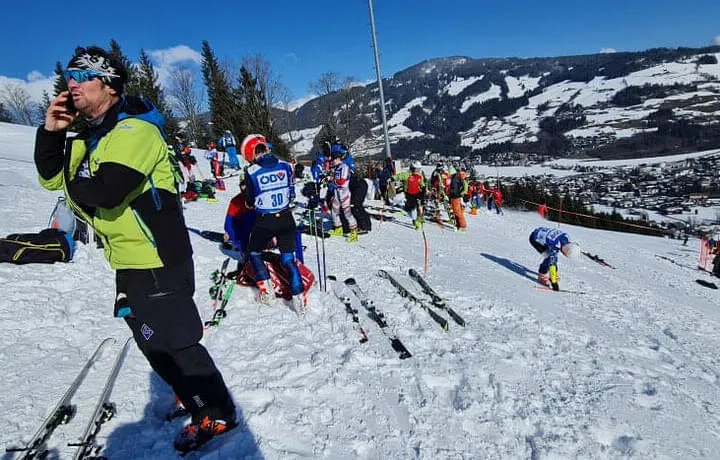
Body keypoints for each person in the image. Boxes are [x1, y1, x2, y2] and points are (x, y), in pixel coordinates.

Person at [34, 46, 236, 453]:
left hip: (159, 258)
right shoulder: (91, 137)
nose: (69, 84)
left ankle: (216, 411)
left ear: (107, 84)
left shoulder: (135, 131)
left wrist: (77, 179)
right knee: (150, 341)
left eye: (80, 76)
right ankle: (191, 396)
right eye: (68, 76)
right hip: (128, 260)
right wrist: (52, 135)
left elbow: (106, 192)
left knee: (178, 342)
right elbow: (53, 182)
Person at [243, 138, 306, 311]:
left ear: (253, 154)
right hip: (286, 217)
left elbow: (249, 201)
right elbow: (292, 193)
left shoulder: (252, 171)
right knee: (288, 258)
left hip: (265, 220)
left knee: (254, 252)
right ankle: (299, 298)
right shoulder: (285, 165)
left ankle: (267, 292)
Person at [529, 226, 576, 291]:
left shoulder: (566, 237)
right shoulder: (554, 246)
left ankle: (552, 275)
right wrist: (554, 283)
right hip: (534, 239)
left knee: (553, 257)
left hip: (542, 233)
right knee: (548, 257)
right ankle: (542, 275)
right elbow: (552, 264)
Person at [327, 146, 359, 241]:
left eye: (334, 160)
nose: (333, 162)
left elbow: (341, 181)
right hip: (337, 191)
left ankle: (354, 233)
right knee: (334, 211)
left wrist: (332, 179)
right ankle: (338, 228)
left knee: (347, 213)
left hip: (344, 192)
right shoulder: (337, 167)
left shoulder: (344, 167)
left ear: (338, 158)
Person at [393, 161, 426, 229]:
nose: (418, 171)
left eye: (419, 169)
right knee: (412, 208)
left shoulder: (419, 176)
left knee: (420, 206)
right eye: (417, 169)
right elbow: (400, 176)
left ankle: (419, 219)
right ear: (413, 168)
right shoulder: (408, 174)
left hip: (418, 193)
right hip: (409, 194)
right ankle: (414, 220)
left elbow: (421, 183)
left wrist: (423, 187)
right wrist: (393, 178)